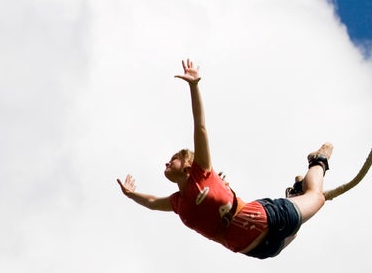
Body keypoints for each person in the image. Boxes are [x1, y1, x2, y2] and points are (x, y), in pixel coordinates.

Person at [117, 58, 331, 259]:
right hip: (260, 250)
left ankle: (318, 159)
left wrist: (194, 87)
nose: (167, 162)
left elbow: (199, 126)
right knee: (295, 230)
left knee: (317, 198)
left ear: (187, 166)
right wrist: (131, 194)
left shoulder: (202, 172)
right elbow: (153, 202)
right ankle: (295, 194)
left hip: (269, 218)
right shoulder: (178, 203)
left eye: (173, 159)